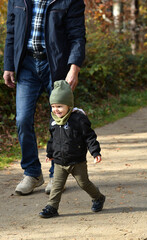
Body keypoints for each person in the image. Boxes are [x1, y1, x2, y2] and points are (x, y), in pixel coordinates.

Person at [3, 0, 86, 195]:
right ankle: (32, 174)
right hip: (26, 66)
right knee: (22, 119)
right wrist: (9, 64)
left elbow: (77, 36)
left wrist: (74, 68)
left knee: (58, 122)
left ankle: (55, 174)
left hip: (55, 66)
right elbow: (11, 32)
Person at [39, 80, 106, 218]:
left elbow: (90, 137)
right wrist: (50, 152)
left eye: (59, 106)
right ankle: (52, 207)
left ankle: (98, 197)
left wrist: (95, 152)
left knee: (84, 183)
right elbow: (52, 139)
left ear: (69, 105)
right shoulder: (53, 121)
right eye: (53, 106)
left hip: (77, 161)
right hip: (59, 162)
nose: (56, 110)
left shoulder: (78, 119)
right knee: (56, 187)